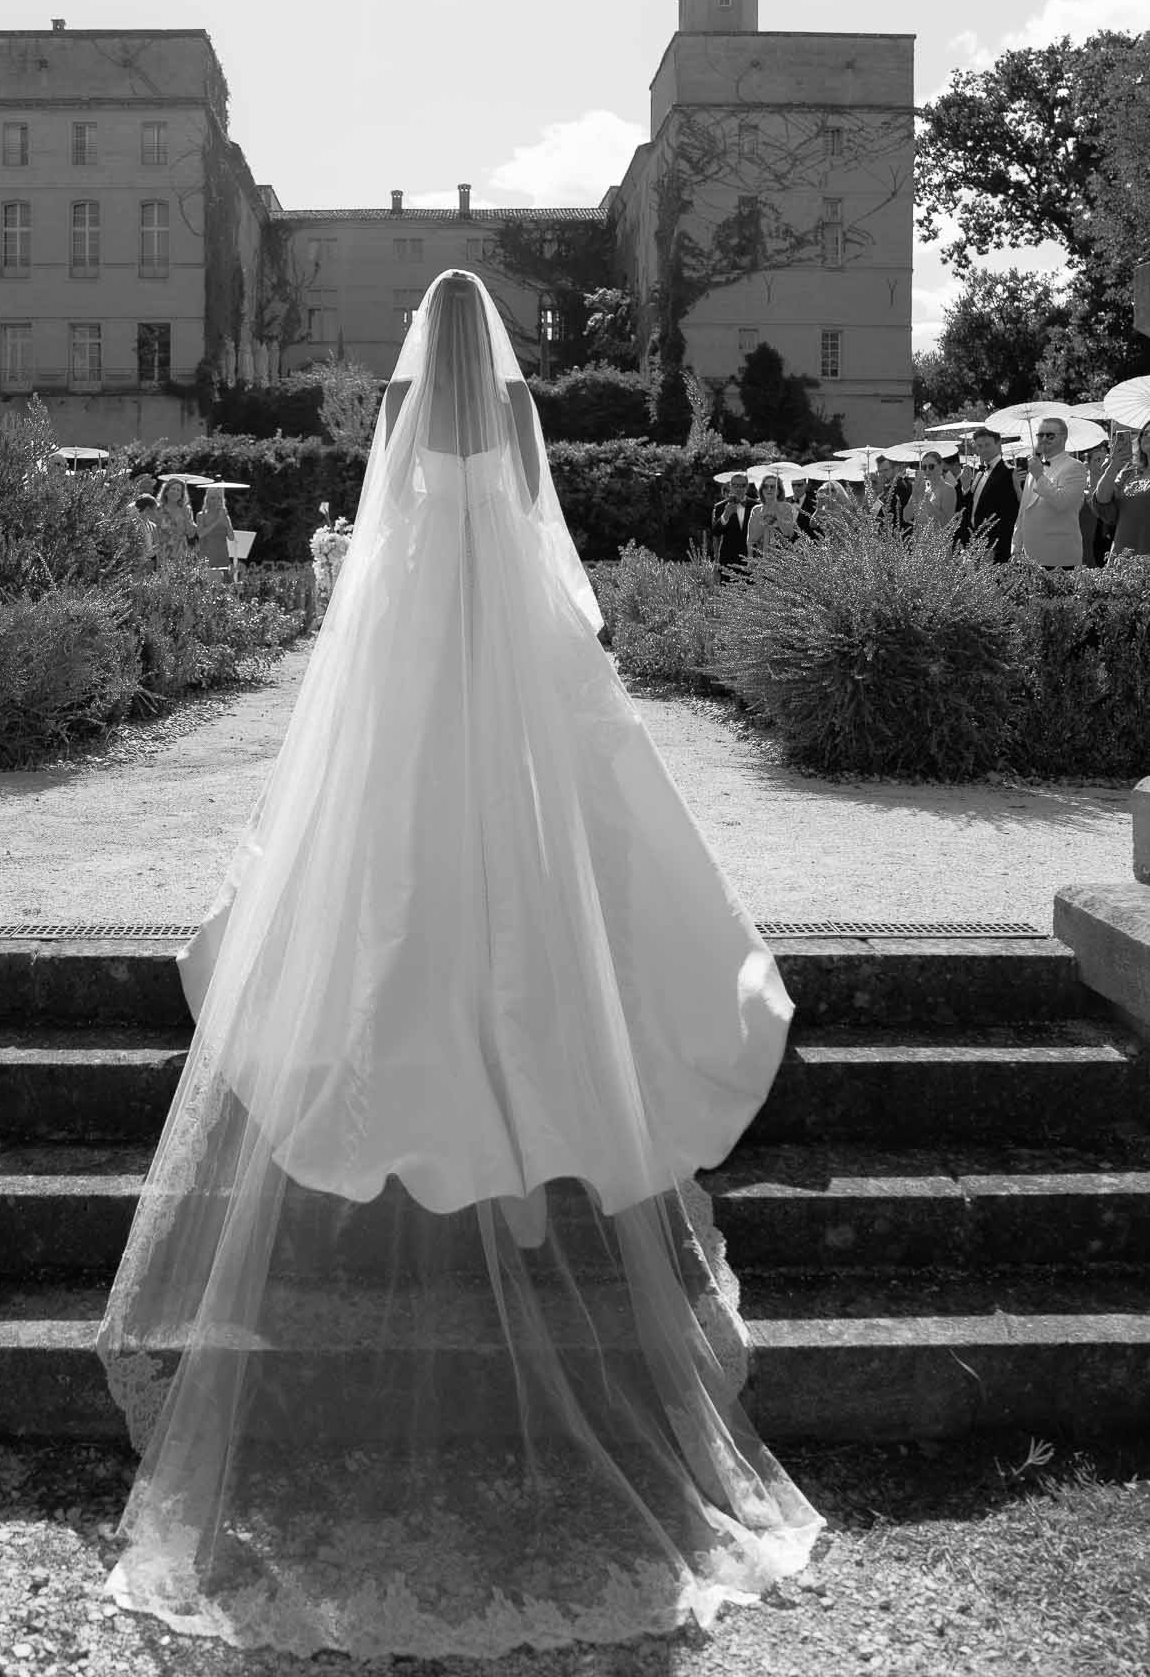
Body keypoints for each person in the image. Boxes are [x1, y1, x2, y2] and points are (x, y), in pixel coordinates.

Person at [97, 270, 822, 1656]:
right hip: (516, 686)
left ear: (415, 359)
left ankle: (448, 1123)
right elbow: (549, 569)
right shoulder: (511, 427)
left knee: (401, 879)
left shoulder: (406, 439)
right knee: (540, 885)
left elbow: (377, 583)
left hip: (418, 675)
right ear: (495, 357)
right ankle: (542, 1157)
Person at [1013, 417, 1085, 568]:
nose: (1044, 439)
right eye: (1040, 435)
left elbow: (1063, 503)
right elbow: (1023, 511)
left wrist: (1039, 476)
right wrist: (1016, 548)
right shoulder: (1034, 469)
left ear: (1064, 437)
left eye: (1050, 435)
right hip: (1030, 559)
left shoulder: (1075, 467)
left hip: (1060, 558)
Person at [956, 427, 1019, 561]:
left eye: (987, 445)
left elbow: (1010, 516)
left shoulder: (1009, 473)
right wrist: (965, 487)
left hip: (995, 550)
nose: (983, 449)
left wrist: (995, 548)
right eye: (979, 446)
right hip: (974, 545)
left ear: (998, 444)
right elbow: (969, 509)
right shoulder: (979, 474)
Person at [1094, 422, 1150, 557]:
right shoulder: (1128, 473)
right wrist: (1113, 466)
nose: (1148, 437)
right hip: (1123, 552)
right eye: (1145, 433)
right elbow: (1102, 500)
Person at [901, 451, 956, 538]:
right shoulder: (921, 487)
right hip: (919, 544)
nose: (927, 470)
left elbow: (946, 523)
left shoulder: (948, 489)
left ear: (941, 466)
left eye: (931, 466)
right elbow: (906, 517)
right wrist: (915, 495)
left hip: (938, 545)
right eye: (924, 467)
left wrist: (924, 499)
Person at [710, 471, 753, 575]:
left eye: (742, 485)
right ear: (730, 486)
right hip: (728, 563)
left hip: (750, 563)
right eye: (735, 485)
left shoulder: (756, 506)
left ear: (747, 487)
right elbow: (715, 532)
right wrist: (726, 515)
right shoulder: (720, 507)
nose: (738, 489)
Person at [747, 473, 798, 553]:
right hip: (760, 558)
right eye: (765, 486)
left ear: (779, 490)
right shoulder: (756, 510)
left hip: (782, 559)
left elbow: (788, 533)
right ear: (761, 489)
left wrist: (777, 511)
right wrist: (750, 562)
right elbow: (752, 539)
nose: (769, 489)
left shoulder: (786, 507)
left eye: (773, 487)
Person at [152, 478, 196, 565]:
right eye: (173, 489)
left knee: (179, 577)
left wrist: (186, 517)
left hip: (181, 551)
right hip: (163, 551)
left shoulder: (186, 510)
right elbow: (153, 532)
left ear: (181, 495)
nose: (175, 492)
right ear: (166, 491)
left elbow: (191, 534)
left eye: (178, 490)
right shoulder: (158, 509)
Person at [195, 484, 233, 570]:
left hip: (222, 555)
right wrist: (217, 520)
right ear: (207, 500)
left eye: (218, 498)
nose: (216, 501)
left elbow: (231, 537)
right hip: (206, 556)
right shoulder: (201, 515)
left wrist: (227, 522)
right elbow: (201, 534)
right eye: (212, 498)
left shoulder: (225, 516)